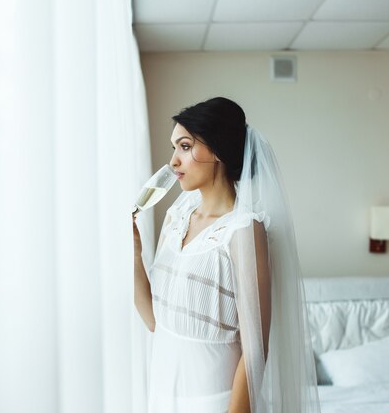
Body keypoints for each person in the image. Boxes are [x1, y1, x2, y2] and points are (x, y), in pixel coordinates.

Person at [133, 97, 321, 413]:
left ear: (217, 150)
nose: (173, 161)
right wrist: (135, 254)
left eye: (185, 146)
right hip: (162, 398)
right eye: (175, 147)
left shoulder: (244, 230)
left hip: (215, 403)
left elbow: (255, 351)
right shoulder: (176, 217)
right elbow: (154, 320)